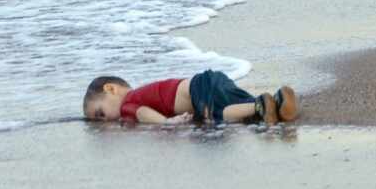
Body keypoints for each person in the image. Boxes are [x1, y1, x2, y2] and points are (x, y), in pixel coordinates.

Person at [82, 70, 299, 125]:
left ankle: (260, 105)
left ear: (111, 89)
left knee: (218, 115)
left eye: (100, 113)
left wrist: (166, 122)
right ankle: (276, 101)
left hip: (198, 89)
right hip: (209, 80)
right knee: (239, 105)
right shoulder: (142, 92)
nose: (105, 120)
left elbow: (142, 113)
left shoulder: (128, 103)